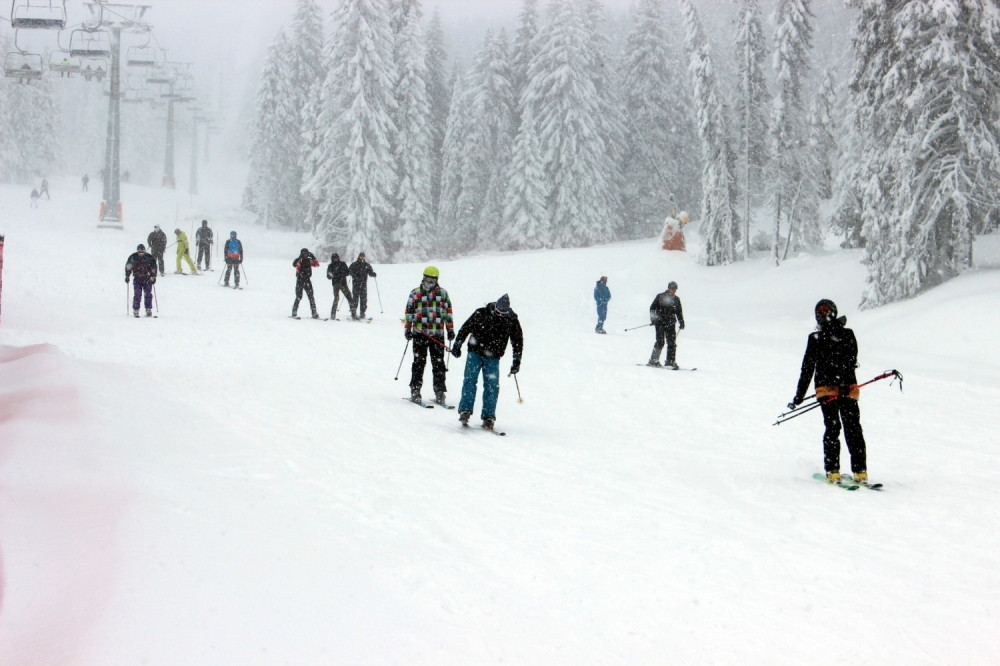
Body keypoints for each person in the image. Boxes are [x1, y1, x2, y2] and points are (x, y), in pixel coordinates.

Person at [789, 299, 868, 484]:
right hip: (827, 391)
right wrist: (799, 396)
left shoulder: (846, 334)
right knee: (834, 428)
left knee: (853, 429)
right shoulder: (815, 338)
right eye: (820, 312)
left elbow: (850, 360)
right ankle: (833, 470)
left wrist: (842, 383)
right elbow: (807, 369)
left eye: (827, 311)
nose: (824, 314)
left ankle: (860, 471)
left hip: (846, 389)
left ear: (834, 311)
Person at [451, 294, 524, 430]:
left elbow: (517, 341)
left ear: (508, 311)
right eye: (498, 312)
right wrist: (457, 344)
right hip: (475, 352)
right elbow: (466, 327)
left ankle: (488, 417)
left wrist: (516, 360)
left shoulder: (512, 320)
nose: (500, 315)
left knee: (492, 386)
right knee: (470, 380)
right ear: (495, 307)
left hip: (493, 357)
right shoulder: (481, 313)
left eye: (503, 313)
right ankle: (465, 411)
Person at [403, 266, 454, 405]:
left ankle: (439, 391)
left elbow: (448, 313)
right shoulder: (416, 293)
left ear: (436, 280)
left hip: (437, 334)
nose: (429, 281)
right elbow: (408, 313)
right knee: (419, 362)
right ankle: (415, 389)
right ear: (423, 277)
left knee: (438, 364)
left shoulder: (443, 294)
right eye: (427, 278)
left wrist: (450, 329)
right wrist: (408, 328)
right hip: (420, 333)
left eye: (432, 279)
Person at [648, 281, 685, 369]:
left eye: (675, 289)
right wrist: (653, 319)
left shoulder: (676, 299)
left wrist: (681, 322)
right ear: (668, 288)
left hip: (671, 323)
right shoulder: (660, 296)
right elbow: (652, 308)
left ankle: (670, 361)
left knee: (672, 343)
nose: (674, 291)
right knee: (660, 341)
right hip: (660, 323)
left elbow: (679, 312)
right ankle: (654, 360)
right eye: (672, 289)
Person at [125, 244, 158, 317]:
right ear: (137, 251)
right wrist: (127, 276)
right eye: (139, 252)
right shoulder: (133, 257)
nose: (141, 253)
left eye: (142, 252)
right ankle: (136, 310)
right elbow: (128, 267)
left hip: (147, 278)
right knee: (137, 295)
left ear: (144, 251)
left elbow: (153, 267)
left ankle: (148, 309)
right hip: (137, 279)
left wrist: (153, 277)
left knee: (148, 294)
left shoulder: (149, 257)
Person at [326, 252, 355, 320]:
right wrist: (335, 274)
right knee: (337, 299)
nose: (336, 259)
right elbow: (328, 276)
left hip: (342, 284)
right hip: (336, 284)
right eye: (334, 258)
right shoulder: (331, 266)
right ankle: (333, 315)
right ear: (332, 259)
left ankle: (353, 314)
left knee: (349, 298)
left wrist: (344, 273)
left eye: (337, 258)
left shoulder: (342, 264)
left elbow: (347, 272)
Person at [292, 248, 320, 319]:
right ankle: (294, 312)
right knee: (299, 296)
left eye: (307, 254)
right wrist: (299, 258)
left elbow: (316, 264)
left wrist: (313, 257)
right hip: (300, 280)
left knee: (311, 297)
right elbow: (294, 264)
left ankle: (314, 313)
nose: (306, 255)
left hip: (307, 280)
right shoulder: (299, 260)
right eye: (304, 254)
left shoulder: (309, 261)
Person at [348, 252, 377, 319]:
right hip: (356, 284)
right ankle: (354, 312)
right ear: (359, 257)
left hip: (363, 285)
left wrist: (373, 274)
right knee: (355, 299)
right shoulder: (354, 264)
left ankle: (362, 313)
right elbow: (349, 271)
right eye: (361, 257)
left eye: (363, 257)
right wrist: (355, 276)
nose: (362, 258)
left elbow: (370, 272)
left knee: (363, 299)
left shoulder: (366, 265)